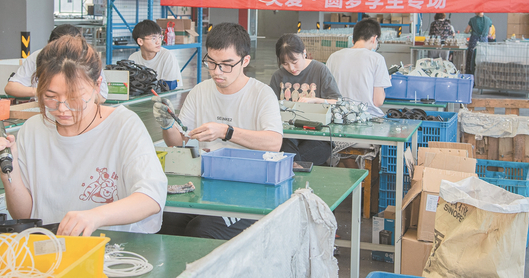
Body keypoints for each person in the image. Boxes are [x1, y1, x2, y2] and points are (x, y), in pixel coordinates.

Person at [0, 35, 167, 235]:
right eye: (50, 97)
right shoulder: (33, 130)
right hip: (50, 246)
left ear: (97, 86)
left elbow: (151, 197)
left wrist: (96, 216)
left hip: (112, 248)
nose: (62, 108)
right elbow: (24, 215)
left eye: (74, 97)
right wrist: (8, 173)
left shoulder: (123, 125)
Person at [157, 22, 283, 240]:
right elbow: (177, 142)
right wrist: (167, 125)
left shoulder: (262, 94)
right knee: (164, 219)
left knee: (202, 230)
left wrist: (226, 131)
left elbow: (274, 143)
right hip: (208, 186)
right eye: (212, 63)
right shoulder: (200, 92)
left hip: (249, 191)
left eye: (226, 65)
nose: (217, 71)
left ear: (245, 61)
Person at [269, 34, 341, 165]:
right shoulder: (278, 76)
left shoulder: (320, 70)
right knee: (287, 150)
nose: (291, 68)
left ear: (304, 53)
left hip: (317, 135)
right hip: (288, 135)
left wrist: (316, 100)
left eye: (294, 62)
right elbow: (269, 107)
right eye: (285, 64)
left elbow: (338, 102)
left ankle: (293, 168)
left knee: (290, 160)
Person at [5, 24, 109, 102]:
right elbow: (11, 88)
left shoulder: (89, 58)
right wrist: (42, 92)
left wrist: (77, 95)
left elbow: (102, 97)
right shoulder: (38, 56)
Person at [326, 18, 391, 117]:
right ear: (374, 39)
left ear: (353, 39)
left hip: (337, 116)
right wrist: (383, 81)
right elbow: (378, 101)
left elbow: (327, 92)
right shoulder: (377, 59)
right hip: (367, 118)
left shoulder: (333, 57)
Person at [128, 20, 182, 90]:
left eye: (160, 37)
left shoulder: (167, 56)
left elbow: (173, 88)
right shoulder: (133, 58)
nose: (158, 42)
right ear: (140, 41)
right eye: (154, 38)